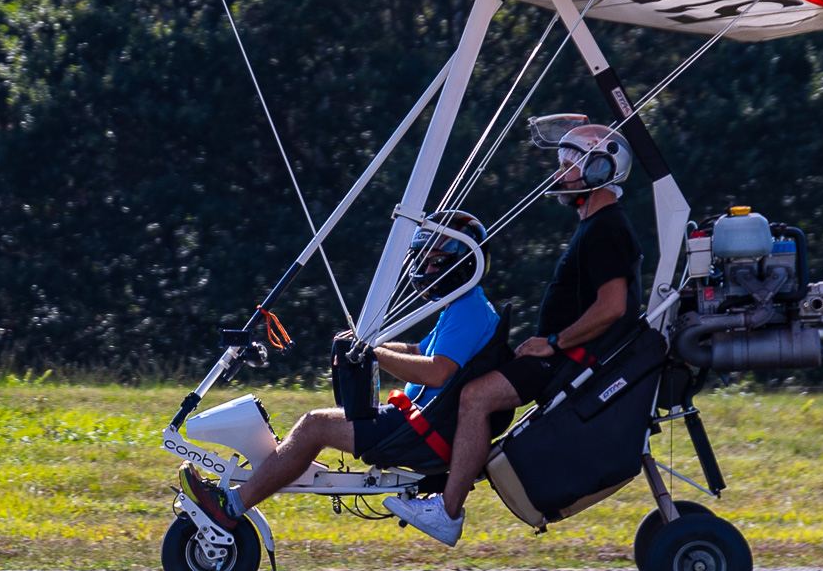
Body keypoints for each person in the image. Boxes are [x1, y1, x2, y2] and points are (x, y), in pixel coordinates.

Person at [384, 116, 641, 546]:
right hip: (560, 353)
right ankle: (434, 479)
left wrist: (555, 342)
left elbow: (612, 306)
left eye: (569, 165)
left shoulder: (607, 228)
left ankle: (447, 510)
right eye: (560, 162)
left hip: (568, 359)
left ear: (600, 170)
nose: (559, 173)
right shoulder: (596, 226)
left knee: (474, 395)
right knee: (471, 377)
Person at [179, 211, 499, 531]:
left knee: (314, 426)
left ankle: (230, 506)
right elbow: (419, 352)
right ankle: (285, 463)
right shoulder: (463, 307)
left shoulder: (467, 311)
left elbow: (437, 372)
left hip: (418, 432)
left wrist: (374, 354)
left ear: (463, 265)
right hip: (415, 422)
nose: (426, 270)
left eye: (435, 262)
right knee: (310, 429)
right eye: (424, 261)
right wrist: (372, 346)